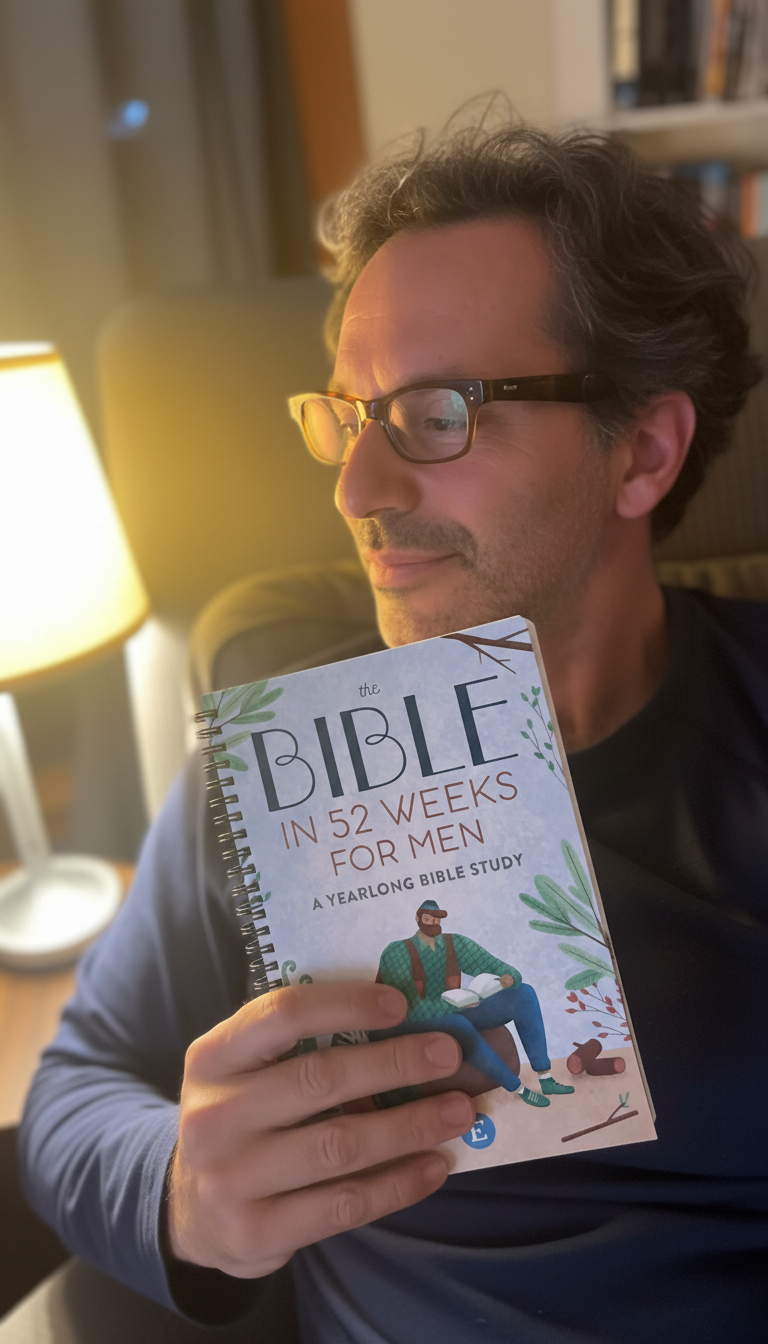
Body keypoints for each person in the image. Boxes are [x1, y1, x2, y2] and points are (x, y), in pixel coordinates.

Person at [17, 115, 768, 1342]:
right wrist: (180, 1194)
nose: (356, 490)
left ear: (642, 451)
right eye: (347, 415)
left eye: (438, 413)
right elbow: (76, 1088)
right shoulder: (279, 770)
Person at [373, 899, 575, 1105]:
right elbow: (410, 1008)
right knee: (458, 1024)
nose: (433, 923)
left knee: (524, 994)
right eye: (428, 918)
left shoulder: (453, 943)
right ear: (417, 918)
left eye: (436, 919)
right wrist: (453, 1006)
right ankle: (518, 1088)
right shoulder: (397, 952)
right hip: (408, 1021)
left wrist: (509, 976)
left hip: (451, 1008)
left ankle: (545, 1077)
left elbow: (488, 962)